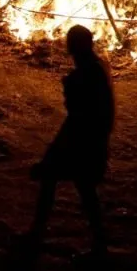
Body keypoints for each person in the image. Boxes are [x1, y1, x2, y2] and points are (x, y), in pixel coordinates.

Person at [25, 25, 114, 257]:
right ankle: (99, 242)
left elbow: (77, 118)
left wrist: (55, 151)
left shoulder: (82, 77)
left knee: (58, 179)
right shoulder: (98, 67)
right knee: (80, 188)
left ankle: (38, 233)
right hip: (94, 140)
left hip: (83, 141)